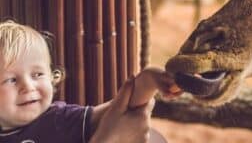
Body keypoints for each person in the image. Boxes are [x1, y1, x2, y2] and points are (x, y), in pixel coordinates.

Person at [0, 20, 183, 143]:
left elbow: (119, 109)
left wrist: (149, 81)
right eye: (11, 79)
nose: (28, 87)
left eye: (38, 75)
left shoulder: (58, 119)